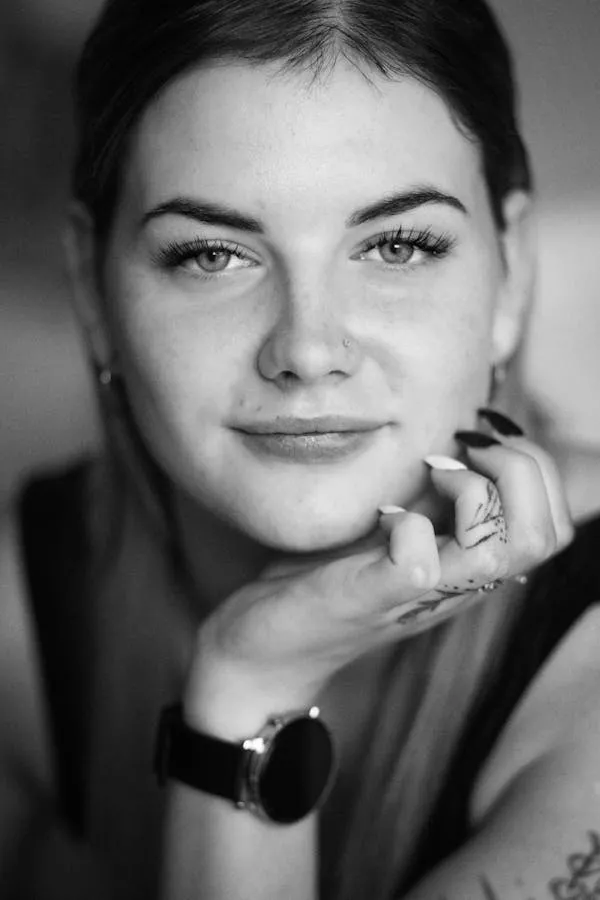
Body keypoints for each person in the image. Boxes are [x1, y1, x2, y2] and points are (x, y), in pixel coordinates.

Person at [1, 0, 599, 897]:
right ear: (93, 290)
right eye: (211, 254)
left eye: (398, 244)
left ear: (510, 271)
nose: (309, 350)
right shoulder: (18, 608)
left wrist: (247, 703)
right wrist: (253, 666)